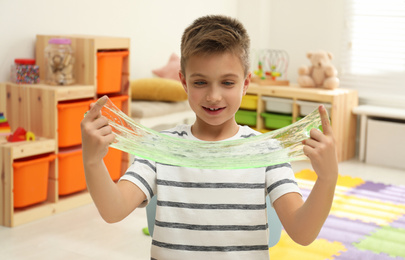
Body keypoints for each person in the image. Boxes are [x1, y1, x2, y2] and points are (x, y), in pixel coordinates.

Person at [81, 15, 338, 260]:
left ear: (246, 83)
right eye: (200, 82)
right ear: (183, 82)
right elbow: (113, 211)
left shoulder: (266, 151)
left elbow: (303, 233)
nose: (214, 96)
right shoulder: (160, 148)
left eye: (227, 83)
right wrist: (93, 161)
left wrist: (327, 178)